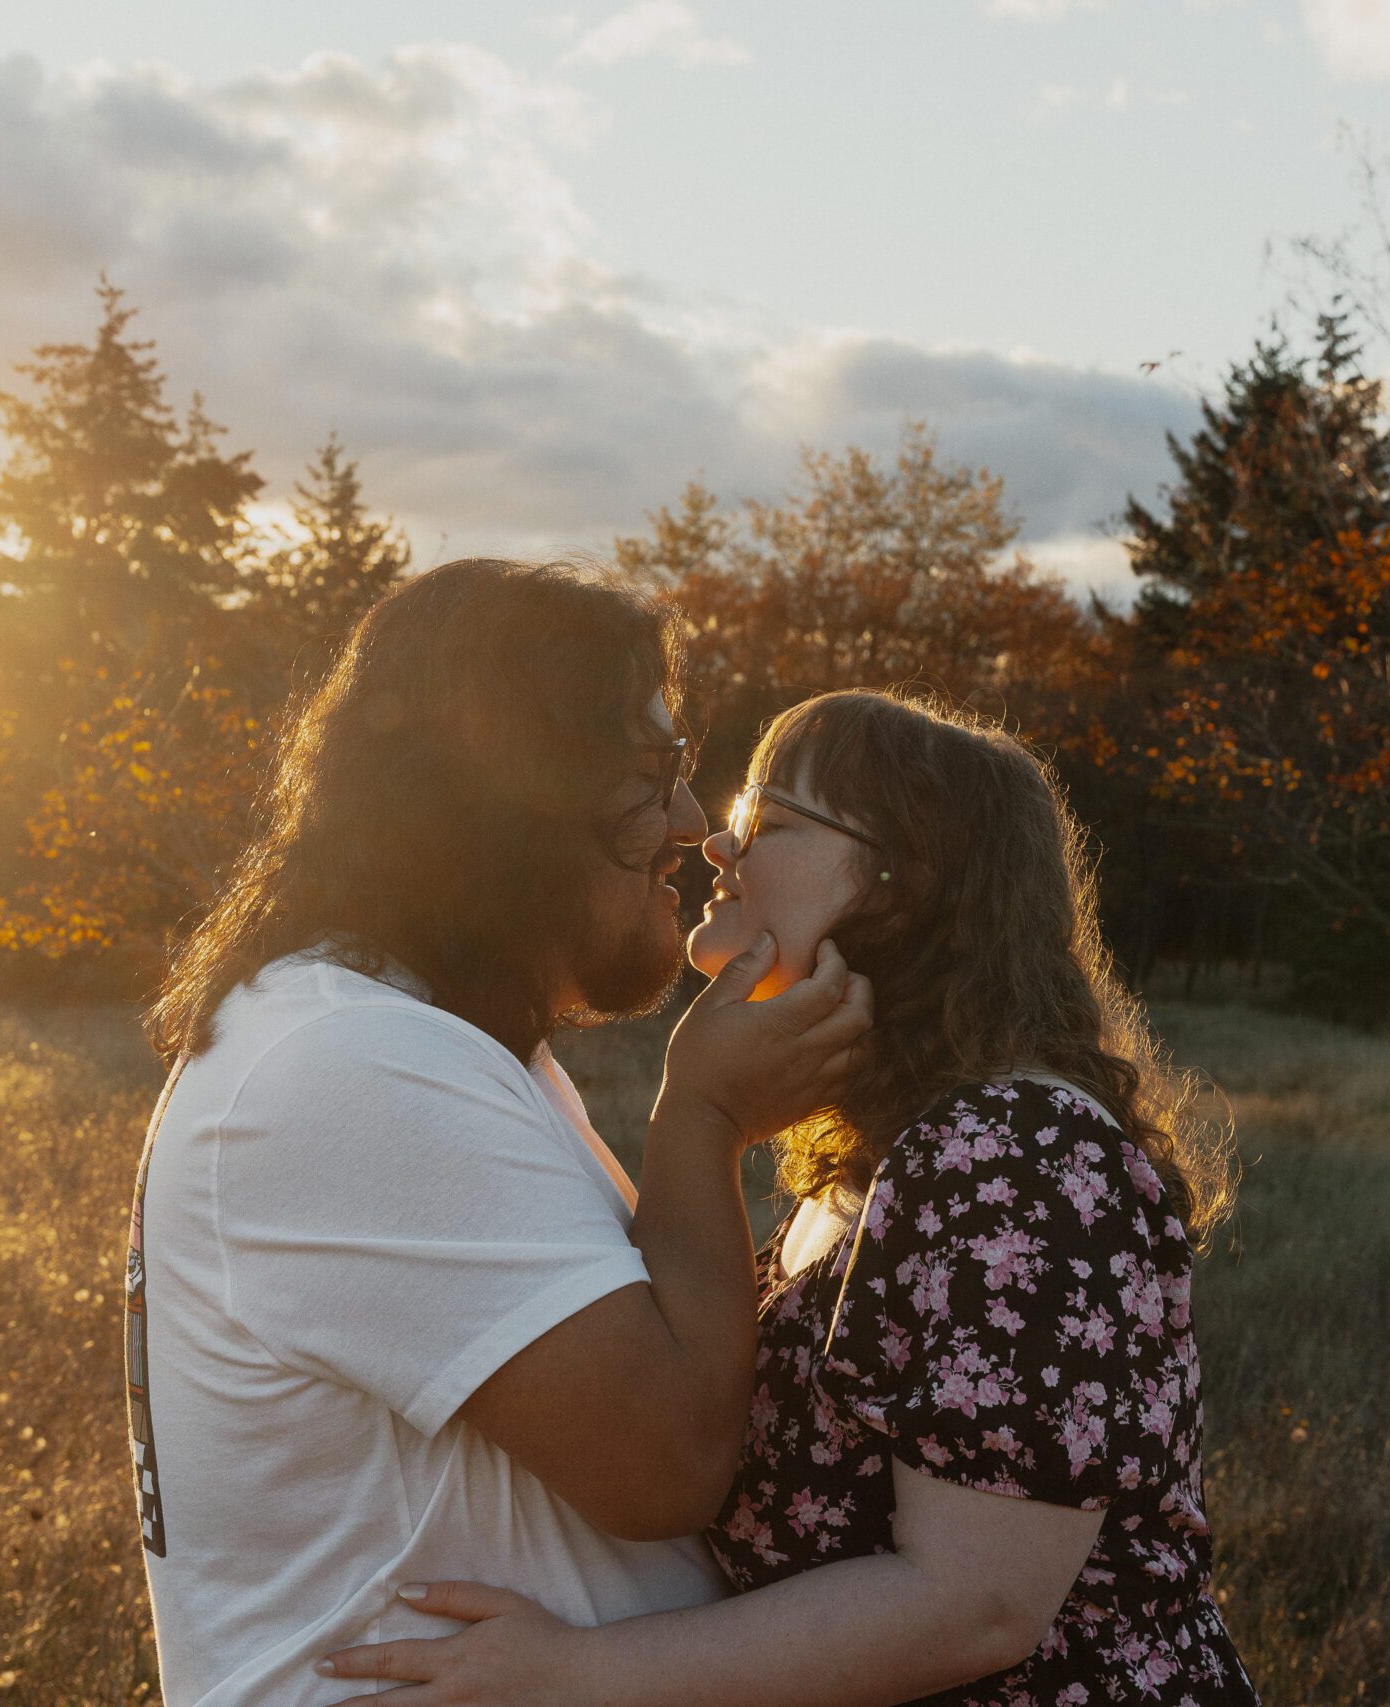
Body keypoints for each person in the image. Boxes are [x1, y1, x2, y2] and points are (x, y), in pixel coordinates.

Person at [318, 688, 1259, 1706]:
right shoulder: (880, 1156)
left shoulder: (1020, 1151)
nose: (717, 844)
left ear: (906, 883)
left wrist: (575, 1673)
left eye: (771, 823)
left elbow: (975, 1603)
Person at [126, 560, 874, 1705]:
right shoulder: (353, 1064)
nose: (688, 824)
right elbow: (669, 1462)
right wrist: (704, 1117)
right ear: (504, 800)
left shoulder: (434, 1041)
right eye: (650, 773)